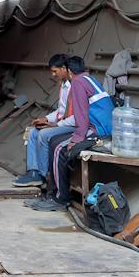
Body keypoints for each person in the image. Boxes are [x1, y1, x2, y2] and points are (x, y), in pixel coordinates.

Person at [28, 55, 110, 211]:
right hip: (99, 128)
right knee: (55, 142)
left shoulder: (77, 83)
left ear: (69, 71)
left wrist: (76, 139)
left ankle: (61, 198)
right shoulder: (88, 78)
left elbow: (82, 116)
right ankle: (53, 193)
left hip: (99, 132)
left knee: (59, 149)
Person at [12, 55, 74, 186]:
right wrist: (45, 118)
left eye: (55, 71)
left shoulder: (74, 86)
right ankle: (34, 172)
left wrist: (55, 125)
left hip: (72, 125)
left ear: (64, 69)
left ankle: (45, 174)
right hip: (63, 122)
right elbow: (61, 111)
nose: (53, 74)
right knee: (33, 132)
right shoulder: (63, 85)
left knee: (43, 134)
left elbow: (75, 117)